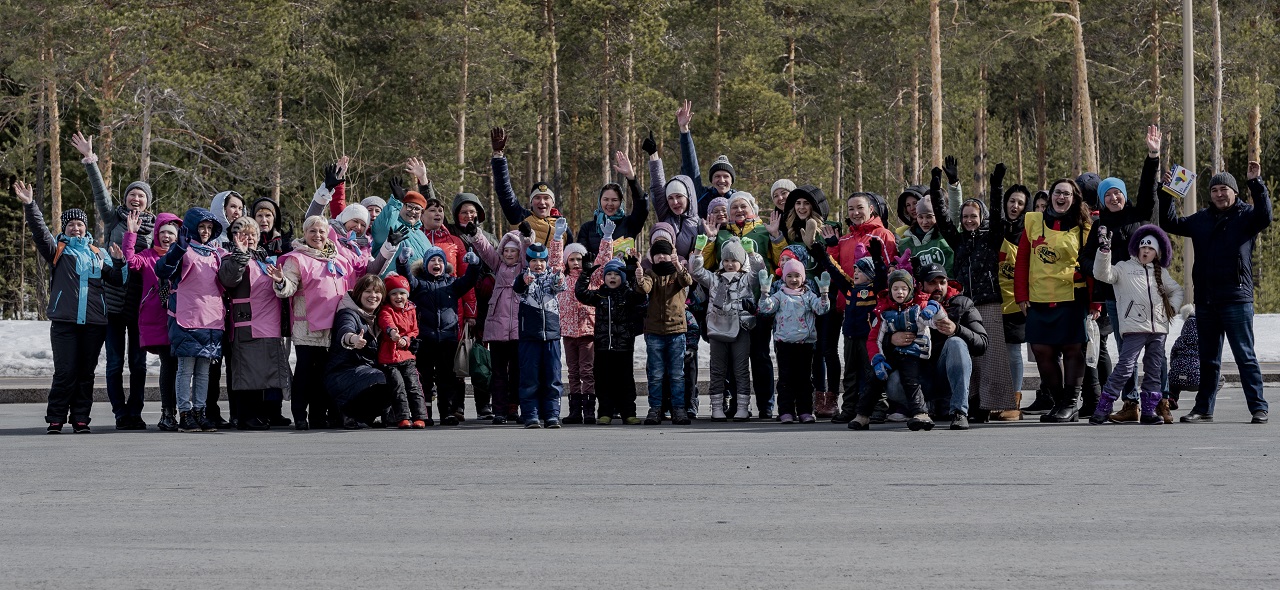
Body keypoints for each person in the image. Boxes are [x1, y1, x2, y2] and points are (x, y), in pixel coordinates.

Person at [1160, 160, 1271, 424]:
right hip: (1206, 301)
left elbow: (1265, 215)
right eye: (1215, 190)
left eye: (1224, 189)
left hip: (1236, 298)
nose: (1220, 194)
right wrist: (1169, 191)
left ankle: (1258, 407)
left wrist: (1256, 183)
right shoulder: (1201, 220)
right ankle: (1203, 409)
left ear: (1234, 192)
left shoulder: (1246, 217)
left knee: (1245, 356)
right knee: (1208, 359)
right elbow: (1169, 222)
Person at [14, 181, 124, 433]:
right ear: (65, 228)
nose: (76, 228)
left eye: (80, 224)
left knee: (86, 374)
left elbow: (117, 280)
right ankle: (55, 417)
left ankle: (81, 419)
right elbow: (40, 232)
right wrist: (31, 206)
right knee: (65, 372)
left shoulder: (99, 252)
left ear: (86, 228)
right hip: (65, 322)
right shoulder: (58, 250)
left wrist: (118, 263)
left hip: (95, 323)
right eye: (71, 224)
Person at [1079, 127, 1163, 421]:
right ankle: (1130, 403)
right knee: (1125, 349)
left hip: (1145, 293)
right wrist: (1103, 271)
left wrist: (1153, 155)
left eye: (1117, 193)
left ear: (1124, 196)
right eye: (1108, 194)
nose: (1114, 197)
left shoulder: (1139, 213)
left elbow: (1147, 188)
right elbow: (1084, 258)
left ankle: (1157, 400)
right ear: (1102, 200)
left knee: (1153, 346)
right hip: (1114, 298)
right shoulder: (1099, 226)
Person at [71, 132, 154, 430]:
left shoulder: (154, 228)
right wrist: (90, 159)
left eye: (141, 196)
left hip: (142, 304)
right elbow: (99, 193)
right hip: (114, 302)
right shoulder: (114, 218)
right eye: (133, 194)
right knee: (116, 362)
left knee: (139, 363)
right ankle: (120, 413)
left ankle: (136, 411)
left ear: (147, 203)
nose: (136, 198)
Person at [937, 162, 1017, 421]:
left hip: (989, 304)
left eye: (973, 216)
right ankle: (969, 403)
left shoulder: (991, 237)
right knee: (967, 355)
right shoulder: (957, 240)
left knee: (990, 358)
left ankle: (987, 406)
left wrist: (996, 186)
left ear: (981, 217)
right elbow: (942, 218)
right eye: (965, 216)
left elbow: (998, 214)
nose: (969, 220)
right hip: (961, 305)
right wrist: (937, 187)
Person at [1015, 178, 1096, 423]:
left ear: (1074, 199)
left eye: (1067, 194)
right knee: (1041, 350)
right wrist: (1021, 295)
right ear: (1050, 196)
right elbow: (1022, 261)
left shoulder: (1084, 228)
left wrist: (1096, 303)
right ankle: (1060, 401)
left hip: (1073, 297)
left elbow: (1092, 266)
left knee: (1073, 350)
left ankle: (1070, 403)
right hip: (1038, 298)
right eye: (1057, 193)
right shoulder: (1033, 221)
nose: (1061, 198)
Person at [1090, 224, 1183, 425]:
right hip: (1134, 328)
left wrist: (1171, 310)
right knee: (1125, 367)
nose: (1146, 251)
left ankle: (1149, 410)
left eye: (1150, 248)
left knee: (1154, 369)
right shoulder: (1124, 268)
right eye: (1143, 247)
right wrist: (1104, 252)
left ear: (1157, 252)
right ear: (1137, 249)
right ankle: (1103, 408)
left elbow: (1177, 291)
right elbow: (1102, 274)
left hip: (1158, 330)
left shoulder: (1161, 273)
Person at [270, 215, 354, 429]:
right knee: (306, 372)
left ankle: (318, 415)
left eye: (321, 231)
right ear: (305, 233)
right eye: (312, 231)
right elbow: (287, 288)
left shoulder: (337, 258)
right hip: (307, 326)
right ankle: (300, 414)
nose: (317, 235)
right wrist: (281, 281)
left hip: (333, 326)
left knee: (324, 373)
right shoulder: (296, 259)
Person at [828, 192, 899, 422]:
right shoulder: (845, 239)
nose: (855, 213)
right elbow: (836, 270)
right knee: (851, 364)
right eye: (850, 209)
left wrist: (885, 303)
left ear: (871, 209)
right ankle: (850, 407)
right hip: (850, 308)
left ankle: (878, 406)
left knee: (872, 362)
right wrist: (830, 247)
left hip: (874, 310)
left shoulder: (882, 235)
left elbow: (889, 270)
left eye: (859, 208)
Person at [155, 208, 227, 433]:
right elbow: (162, 270)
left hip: (211, 320)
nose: (205, 232)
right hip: (186, 317)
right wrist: (178, 249)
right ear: (191, 228)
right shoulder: (183, 250)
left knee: (204, 371)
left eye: (209, 228)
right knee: (185, 369)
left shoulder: (216, 254)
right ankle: (185, 412)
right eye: (201, 227)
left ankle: (200, 410)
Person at [217, 216, 292, 430]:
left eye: (252, 234)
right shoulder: (231, 257)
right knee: (246, 373)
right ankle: (246, 416)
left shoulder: (265, 259)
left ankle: (262, 414)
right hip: (246, 323)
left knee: (264, 373)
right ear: (234, 237)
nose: (248, 238)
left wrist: (280, 280)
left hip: (269, 324)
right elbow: (229, 280)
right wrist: (240, 255)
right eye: (243, 234)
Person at [396, 245, 483, 427]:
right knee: (424, 378)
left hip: (448, 339)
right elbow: (407, 279)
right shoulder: (419, 284)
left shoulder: (452, 283)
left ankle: (448, 412)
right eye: (433, 260)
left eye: (440, 261)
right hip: (425, 339)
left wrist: (475, 264)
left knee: (447, 378)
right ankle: (424, 413)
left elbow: (470, 280)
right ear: (426, 264)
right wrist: (402, 262)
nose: (437, 264)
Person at [780, 185, 842, 418]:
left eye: (807, 203)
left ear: (816, 206)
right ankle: (817, 397)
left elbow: (834, 259)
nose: (802, 207)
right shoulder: (790, 231)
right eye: (798, 204)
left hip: (827, 296)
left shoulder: (830, 228)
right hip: (801, 302)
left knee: (828, 349)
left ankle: (832, 397)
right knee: (812, 351)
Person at [689, 237, 762, 422]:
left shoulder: (746, 279)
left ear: (741, 261)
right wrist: (698, 251)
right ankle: (717, 406)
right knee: (717, 369)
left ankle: (743, 407)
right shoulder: (714, 279)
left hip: (741, 329)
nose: (730, 264)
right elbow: (696, 271)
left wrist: (752, 253)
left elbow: (759, 271)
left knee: (741, 369)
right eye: (727, 260)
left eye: (734, 260)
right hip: (717, 329)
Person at [909, 264, 989, 430]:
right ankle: (917, 408)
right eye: (932, 283)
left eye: (942, 282)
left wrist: (957, 329)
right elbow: (879, 337)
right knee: (894, 383)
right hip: (917, 377)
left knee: (956, 342)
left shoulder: (963, 303)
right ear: (921, 285)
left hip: (946, 376)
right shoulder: (910, 304)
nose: (938, 287)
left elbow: (982, 344)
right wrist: (893, 339)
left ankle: (959, 412)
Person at [123, 212, 183, 431]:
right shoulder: (147, 256)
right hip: (156, 318)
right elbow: (130, 262)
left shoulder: (183, 257)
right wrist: (131, 234)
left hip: (180, 317)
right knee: (169, 364)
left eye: (171, 233)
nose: (167, 237)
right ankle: (168, 412)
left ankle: (184, 410)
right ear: (157, 233)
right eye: (163, 232)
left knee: (179, 367)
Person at [868, 269, 942, 431]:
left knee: (911, 379)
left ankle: (921, 412)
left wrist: (935, 307)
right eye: (895, 288)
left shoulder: (919, 306)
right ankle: (862, 414)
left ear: (910, 290)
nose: (899, 292)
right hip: (896, 355)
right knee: (875, 377)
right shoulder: (884, 311)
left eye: (903, 288)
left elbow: (938, 322)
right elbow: (874, 338)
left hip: (918, 357)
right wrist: (877, 359)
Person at [758, 260, 832, 423]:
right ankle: (786, 411)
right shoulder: (780, 294)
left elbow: (821, 309)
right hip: (784, 344)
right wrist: (765, 292)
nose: (793, 280)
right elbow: (766, 308)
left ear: (803, 277)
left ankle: (805, 410)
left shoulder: (808, 294)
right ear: (784, 278)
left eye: (797, 276)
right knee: (786, 379)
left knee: (804, 379)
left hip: (804, 343)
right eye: (789, 276)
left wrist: (824, 293)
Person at [576, 257, 647, 425]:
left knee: (625, 382)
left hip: (623, 347)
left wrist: (631, 276)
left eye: (617, 274)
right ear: (604, 277)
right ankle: (605, 412)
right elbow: (581, 294)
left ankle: (628, 413)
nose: (612, 277)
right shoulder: (600, 294)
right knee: (603, 381)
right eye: (609, 274)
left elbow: (641, 298)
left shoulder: (628, 294)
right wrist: (585, 273)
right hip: (603, 347)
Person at [447, 191, 498, 419]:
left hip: (485, 304)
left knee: (480, 355)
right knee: (457, 354)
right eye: (464, 211)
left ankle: (483, 405)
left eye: (473, 212)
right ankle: (456, 406)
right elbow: (431, 211)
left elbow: (497, 264)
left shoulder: (488, 236)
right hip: (458, 301)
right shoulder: (449, 234)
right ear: (457, 214)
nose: (469, 215)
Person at [472, 229, 530, 424]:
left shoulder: (524, 268)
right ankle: (499, 409)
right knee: (498, 372)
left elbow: (529, 251)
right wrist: (476, 234)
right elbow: (486, 250)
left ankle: (514, 406)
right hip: (497, 327)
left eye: (513, 251)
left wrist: (526, 239)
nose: (509, 254)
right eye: (506, 251)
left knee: (516, 371)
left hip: (518, 329)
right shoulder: (498, 266)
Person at [326, 275, 399, 427]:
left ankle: (376, 414)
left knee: (399, 375)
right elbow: (345, 330)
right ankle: (345, 411)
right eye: (368, 291)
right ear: (359, 293)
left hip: (365, 370)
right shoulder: (348, 313)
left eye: (377, 292)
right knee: (380, 378)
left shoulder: (380, 316)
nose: (373, 296)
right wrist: (353, 339)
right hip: (343, 372)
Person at [512, 232, 569, 428]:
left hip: (552, 336)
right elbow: (517, 288)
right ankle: (531, 415)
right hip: (529, 336)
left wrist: (558, 240)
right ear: (528, 262)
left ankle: (552, 414)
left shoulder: (551, 278)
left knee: (553, 378)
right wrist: (525, 281)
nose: (538, 264)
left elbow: (560, 283)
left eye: (541, 261)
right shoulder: (524, 278)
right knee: (530, 378)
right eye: (534, 261)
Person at [637, 240, 694, 425]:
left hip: (677, 331)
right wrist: (638, 277)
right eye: (657, 254)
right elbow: (644, 288)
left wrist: (678, 265)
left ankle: (679, 409)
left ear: (672, 255)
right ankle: (655, 409)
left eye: (665, 253)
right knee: (656, 374)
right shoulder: (650, 273)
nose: (661, 257)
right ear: (652, 257)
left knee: (677, 374)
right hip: (654, 332)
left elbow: (687, 281)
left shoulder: (676, 274)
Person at [491, 127, 573, 245]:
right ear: (531, 202)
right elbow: (505, 192)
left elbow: (570, 255)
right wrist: (498, 156)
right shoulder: (521, 217)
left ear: (553, 202)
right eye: (537, 198)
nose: (542, 202)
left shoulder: (563, 226)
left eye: (546, 198)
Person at [559, 242, 609, 423]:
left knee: (587, 371)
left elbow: (603, 262)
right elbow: (554, 262)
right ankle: (575, 411)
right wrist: (557, 239)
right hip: (568, 332)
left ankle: (588, 410)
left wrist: (607, 239)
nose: (576, 263)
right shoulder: (561, 279)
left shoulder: (593, 279)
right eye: (571, 259)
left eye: (579, 259)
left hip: (587, 330)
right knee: (573, 372)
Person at [577, 150, 650, 260]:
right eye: (606, 199)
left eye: (614, 200)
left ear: (620, 202)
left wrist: (631, 177)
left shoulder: (629, 224)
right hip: (595, 276)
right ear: (599, 201)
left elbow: (642, 207)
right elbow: (581, 257)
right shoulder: (588, 228)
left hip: (623, 275)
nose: (610, 204)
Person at [375, 274, 424, 429]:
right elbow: (386, 323)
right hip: (389, 357)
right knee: (398, 387)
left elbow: (414, 330)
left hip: (407, 355)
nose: (398, 297)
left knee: (413, 385)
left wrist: (407, 339)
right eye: (394, 293)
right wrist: (393, 334)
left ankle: (420, 416)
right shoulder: (386, 310)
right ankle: (402, 417)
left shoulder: (411, 309)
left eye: (402, 293)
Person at [675, 100, 736, 217]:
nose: (721, 180)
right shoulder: (702, 195)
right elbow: (690, 166)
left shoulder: (738, 199)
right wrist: (684, 130)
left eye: (726, 176)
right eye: (717, 176)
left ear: (732, 180)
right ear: (711, 180)